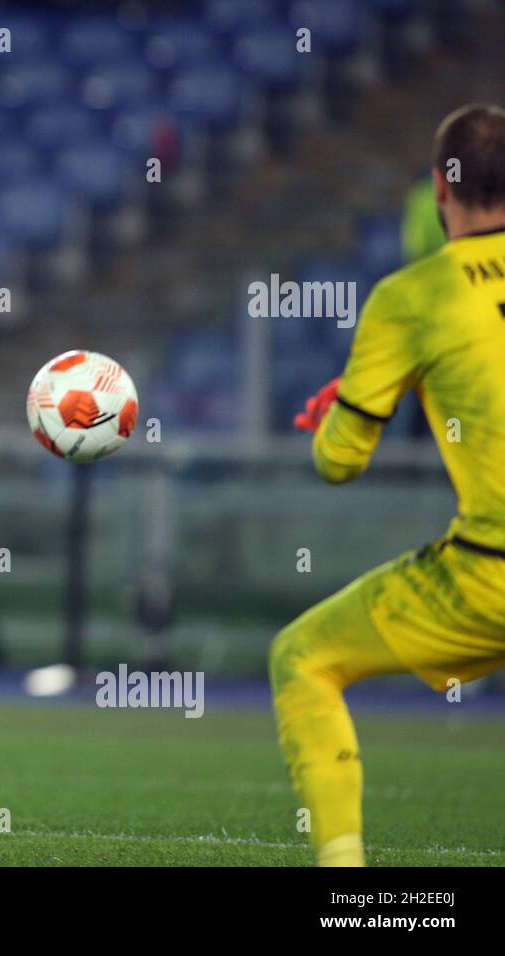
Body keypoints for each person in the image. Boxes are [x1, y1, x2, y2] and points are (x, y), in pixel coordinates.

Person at [277, 103, 505, 866]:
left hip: (488, 578)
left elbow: (340, 462)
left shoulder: (413, 298)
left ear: (441, 187)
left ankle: (347, 887)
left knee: (304, 658)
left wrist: (350, 404)